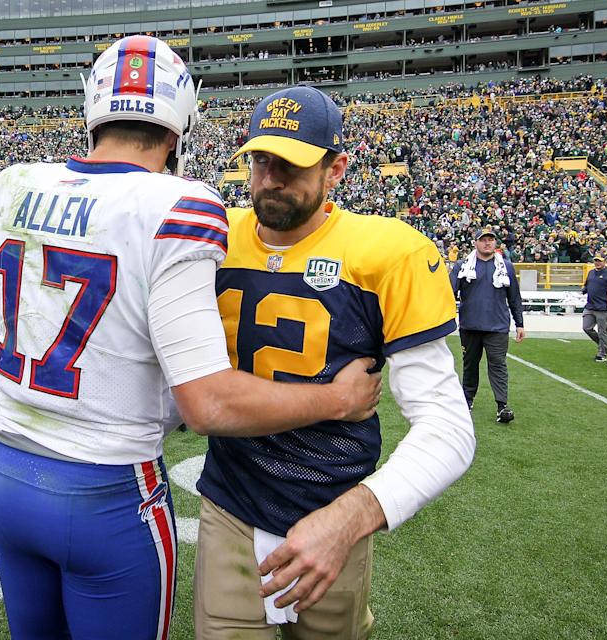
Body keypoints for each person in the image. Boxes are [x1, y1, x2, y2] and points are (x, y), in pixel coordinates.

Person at [0, 37, 381, 640]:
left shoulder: (13, 185)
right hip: (109, 494)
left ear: (93, 107)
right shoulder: (179, 203)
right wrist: (337, 400)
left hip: (10, 479)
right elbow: (207, 403)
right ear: (178, 124)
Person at [194, 86, 476, 639]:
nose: (270, 177)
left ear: (335, 169)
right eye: (260, 160)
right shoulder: (211, 241)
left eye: (292, 163)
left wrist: (352, 516)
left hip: (333, 502)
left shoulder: (386, 252)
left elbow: (448, 428)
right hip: (230, 501)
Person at [451, 227, 525, 423]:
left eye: (491, 239)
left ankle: (502, 406)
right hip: (470, 325)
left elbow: (514, 297)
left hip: (497, 327)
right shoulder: (462, 266)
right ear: (475, 243)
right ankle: (467, 400)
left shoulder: (506, 266)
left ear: (495, 243)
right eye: (483, 240)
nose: (487, 243)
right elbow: (450, 295)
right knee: (470, 365)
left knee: (498, 365)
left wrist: (520, 323)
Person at [581, 254, 607, 362]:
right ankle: (603, 345)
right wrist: (584, 290)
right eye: (595, 260)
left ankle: (602, 353)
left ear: (605, 261)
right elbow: (587, 285)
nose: (597, 263)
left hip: (603, 307)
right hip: (590, 305)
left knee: (602, 331)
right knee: (586, 327)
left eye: (599, 261)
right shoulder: (591, 273)